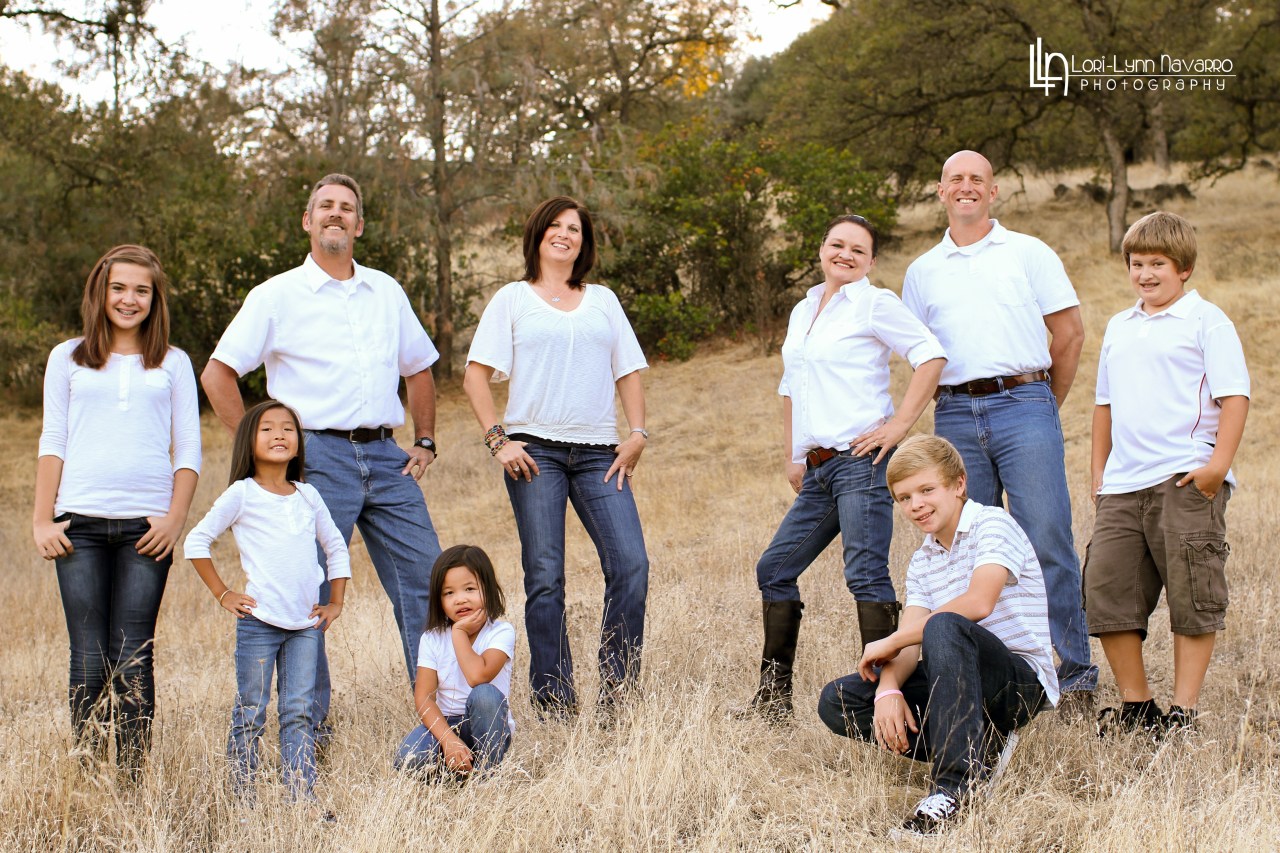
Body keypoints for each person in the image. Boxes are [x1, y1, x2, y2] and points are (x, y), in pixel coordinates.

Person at [201, 174, 443, 739]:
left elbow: (418, 368)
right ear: (308, 221)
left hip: (386, 456)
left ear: (359, 225)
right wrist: (260, 451)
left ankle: (443, 719)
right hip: (314, 458)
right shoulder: (276, 295)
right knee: (303, 595)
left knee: (427, 583)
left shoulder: (386, 291)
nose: (337, 213)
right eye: (325, 206)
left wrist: (426, 439)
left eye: (347, 208)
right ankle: (309, 734)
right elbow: (217, 374)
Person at [902, 150, 1096, 710]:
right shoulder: (922, 272)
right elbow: (920, 355)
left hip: (1024, 401)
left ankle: (1074, 676)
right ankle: (986, 678)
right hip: (955, 413)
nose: (966, 187)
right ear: (941, 191)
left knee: (1047, 538)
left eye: (977, 179)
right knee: (963, 545)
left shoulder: (1029, 252)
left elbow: (1070, 334)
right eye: (955, 179)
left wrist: (1044, 404)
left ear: (993, 192)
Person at [743, 214, 945, 720]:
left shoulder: (874, 303)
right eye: (838, 244)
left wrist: (898, 426)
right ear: (822, 249)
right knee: (775, 569)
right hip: (818, 469)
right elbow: (791, 386)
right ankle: (773, 700)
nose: (845, 255)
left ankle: (890, 701)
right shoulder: (804, 309)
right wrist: (794, 456)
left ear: (871, 261)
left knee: (865, 575)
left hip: (861, 462)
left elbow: (930, 357)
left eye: (858, 250)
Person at [462, 196, 649, 716]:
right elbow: (475, 376)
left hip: (600, 453)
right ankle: (554, 699)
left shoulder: (603, 301)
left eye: (576, 228)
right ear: (539, 234)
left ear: (584, 243)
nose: (565, 234)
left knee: (631, 564)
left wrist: (637, 433)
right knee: (545, 577)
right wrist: (498, 440)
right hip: (534, 453)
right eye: (556, 226)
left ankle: (619, 695)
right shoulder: (512, 299)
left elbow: (628, 370)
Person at [818, 435, 1057, 837]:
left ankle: (954, 789)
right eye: (904, 497)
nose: (916, 505)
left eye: (926, 490)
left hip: (1015, 684)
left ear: (959, 484)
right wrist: (888, 690)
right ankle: (980, 746)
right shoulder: (923, 560)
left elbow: (979, 602)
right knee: (838, 699)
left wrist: (891, 641)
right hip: (953, 680)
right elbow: (911, 642)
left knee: (944, 624)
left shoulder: (992, 524)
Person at [33, 244, 201, 778]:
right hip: (77, 525)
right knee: (87, 658)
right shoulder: (67, 357)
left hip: (145, 529)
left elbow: (188, 450)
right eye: (119, 288)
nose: (129, 300)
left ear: (155, 299)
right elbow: (53, 440)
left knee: (132, 658)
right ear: (100, 293)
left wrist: (175, 520)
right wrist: (41, 519)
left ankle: (130, 781)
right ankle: (88, 778)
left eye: (141, 291)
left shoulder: (173, 363)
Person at [1086, 212, 1249, 735]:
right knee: (1106, 591)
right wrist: (1099, 475)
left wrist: (1216, 468)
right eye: (1137, 263)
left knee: (1192, 594)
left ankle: (1183, 713)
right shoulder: (1119, 325)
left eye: (1158, 263)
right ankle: (1138, 709)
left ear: (1184, 268)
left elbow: (1235, 397)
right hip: (1122, 484)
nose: (1145, 274)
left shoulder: (1207, 321)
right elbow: (1105, 405)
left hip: (1183, 478)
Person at [184, 400, 350, 807]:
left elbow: (336, 547)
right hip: (259, 622)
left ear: (298, 443)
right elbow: (196, 541)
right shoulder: (241, 494)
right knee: (251, 712)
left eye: (288, 428)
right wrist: (223, 593)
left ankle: (301, 798)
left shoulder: (308, 495)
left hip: (305, 626)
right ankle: (244, 801)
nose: (280, 435)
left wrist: (335, 602)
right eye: (268, 429)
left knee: (299, 712)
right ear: (249, 441)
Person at [396, 545, 515, 776]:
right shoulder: (432, 638)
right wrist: (448, 740)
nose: (460, 599)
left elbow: (477, 676)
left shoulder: (500, 632)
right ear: (438, 600)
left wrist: (459, 632)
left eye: (469, 589)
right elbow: (424, 697)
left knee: (484, 694)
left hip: (487, 722)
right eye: (449, 593)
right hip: (446, 725)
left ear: (488, 589)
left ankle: (487, 776)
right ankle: (455, 774)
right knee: (408, 757)